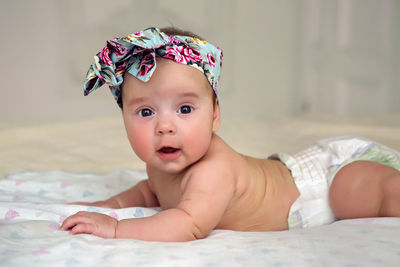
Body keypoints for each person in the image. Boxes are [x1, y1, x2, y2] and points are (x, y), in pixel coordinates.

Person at [59, 27, 400, 241]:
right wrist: (111, 206)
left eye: (185, 109)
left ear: (215, 116)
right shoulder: (162, 164)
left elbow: (186, 223)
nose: (165, 126)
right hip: (298, 179)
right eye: (146, 112)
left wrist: (117, 228)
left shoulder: (212, 169)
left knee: (368, 195)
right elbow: (152, 192)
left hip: (320, 185)